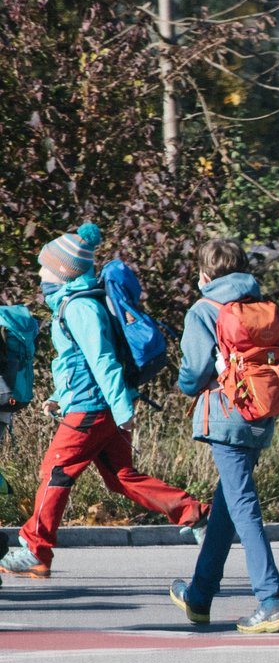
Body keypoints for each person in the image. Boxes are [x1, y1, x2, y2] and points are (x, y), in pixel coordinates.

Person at [0, 223, 206, 579]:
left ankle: (36, 549)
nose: (39, 272)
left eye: (44, 266)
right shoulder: (76, 303)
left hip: (93, 408)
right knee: (120, 476)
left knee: (55, 471)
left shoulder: (80, 307)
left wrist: (121, 408)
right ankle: (195, 513)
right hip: (95, 404)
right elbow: (76, 363)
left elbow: (102, 360)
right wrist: (58, 397)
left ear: (63, 272)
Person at [165, 239, 279, 633]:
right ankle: (199, 596)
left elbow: (196, 371)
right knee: (227, 505)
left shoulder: (203, 309)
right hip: (261, 411)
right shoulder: (259, 306)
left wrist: (184, 382)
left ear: (204, 275)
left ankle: (270, 601)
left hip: (226, 417)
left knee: (243, 506)